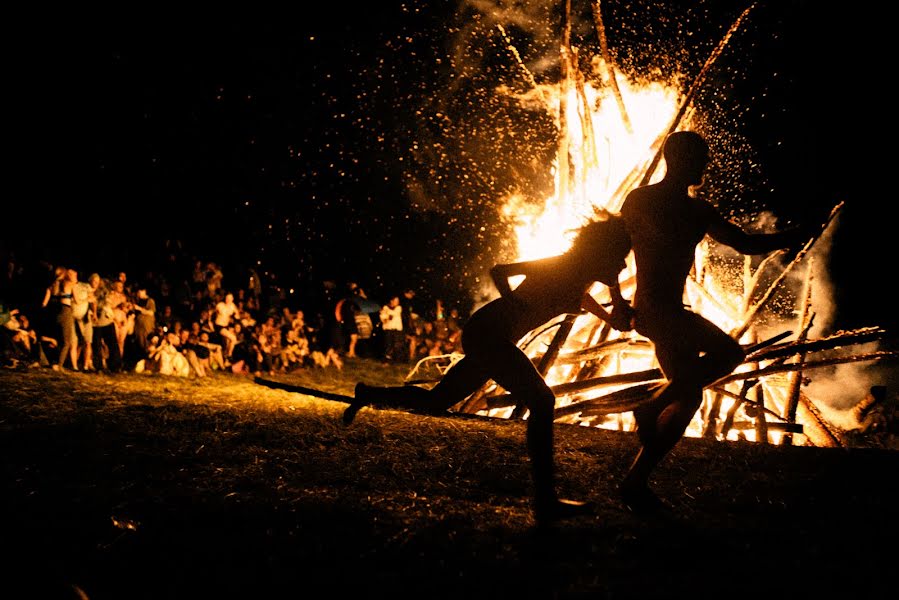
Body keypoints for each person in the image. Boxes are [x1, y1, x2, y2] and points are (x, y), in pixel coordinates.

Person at [344, 213, 635, 525]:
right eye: (619, 259)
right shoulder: (561, 265)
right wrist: (515, 304)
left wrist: (612, 314)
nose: (623, 267)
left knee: (437, 401)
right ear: (601, 253)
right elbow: (501, 271)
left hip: (493, 336)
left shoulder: (580, 275)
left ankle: (368, 394)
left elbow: (586, 297)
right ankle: (545, 500)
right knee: (542, 401)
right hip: (488, 332)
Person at [618, 130, 810, 513]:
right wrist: (615, 302)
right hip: (658, 311)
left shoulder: (690, 209)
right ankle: (652, 406)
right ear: (680, 159)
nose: (706, 165)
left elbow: (746, 244)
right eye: (700, 157)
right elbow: (613, 249)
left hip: (664, 311)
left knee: (688, 397)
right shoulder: (656, 204)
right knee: (728, 353)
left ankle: (635, 484)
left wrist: (789, 236)